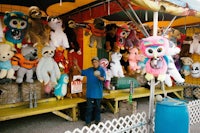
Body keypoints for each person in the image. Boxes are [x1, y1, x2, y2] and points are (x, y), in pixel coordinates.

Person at [73, 57, 106, 126]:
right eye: (93, 62)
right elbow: (81, 72)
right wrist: (76, 64)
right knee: (89, 109)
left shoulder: (101, 70)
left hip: (98, 93)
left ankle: (97, 121)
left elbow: (104, 79)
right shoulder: (89, 70)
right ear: (92, 63)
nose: (94, 63)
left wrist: (100, 77)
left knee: (97, 108)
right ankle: (88, 122)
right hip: (90, 93)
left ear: (98, 62)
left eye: (96, 62)